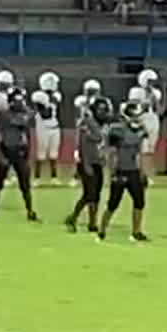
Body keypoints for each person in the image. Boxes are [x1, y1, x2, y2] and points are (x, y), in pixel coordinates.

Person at [98, 93, 150, 242]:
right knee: (113, 203)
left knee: (139, 202)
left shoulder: (139, 131)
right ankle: (102, 230)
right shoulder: (117, 130)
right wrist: (113, 173)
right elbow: (112, 153)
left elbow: (139, 152)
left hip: (133, 170)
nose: (136, 118)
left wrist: (142, 171)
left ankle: (136, 231)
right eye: (134, 115)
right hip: (120, 170)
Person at [0, 83, 40, 223]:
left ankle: (30, 210)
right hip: (6, 149)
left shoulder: (25, 114)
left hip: (20, 151)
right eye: (17, 100)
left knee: (25, 185)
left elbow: (28, 134)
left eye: (21, 100)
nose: (20, 103)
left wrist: (29, 152)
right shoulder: (3, 115)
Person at [63, 95, 110, 233]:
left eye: (104, 109)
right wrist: (86, 165)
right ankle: (73, 217)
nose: (103, 112)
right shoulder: (86, 123)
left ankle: (92, 222)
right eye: (100, 109)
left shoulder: (105, 124)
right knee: (89, 193)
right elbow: (83, 144)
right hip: (87, 161)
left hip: (98, 162)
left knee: (97, 194)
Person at [30, 71, 65, 185]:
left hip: (54, 127)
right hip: (43, 127)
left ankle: (54, 177)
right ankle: (37, 177)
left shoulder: (56, 96)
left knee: (54, 154)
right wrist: (46, 102)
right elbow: (45, 114)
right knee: (41, 153)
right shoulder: (39, 96)